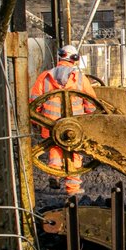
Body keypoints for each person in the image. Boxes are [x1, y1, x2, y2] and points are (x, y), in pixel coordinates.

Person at [31, 44, 97, 194]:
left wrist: (37, 122)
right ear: (74, 59)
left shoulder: (45, 77)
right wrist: (92, 120)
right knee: (75, 153)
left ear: (60, 57)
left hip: (51, 125)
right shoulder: (80, 78)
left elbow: (34, 103)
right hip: (75, 125)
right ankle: (72, 189)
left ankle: (54, 174)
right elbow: (91, 103)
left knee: (55, 150)